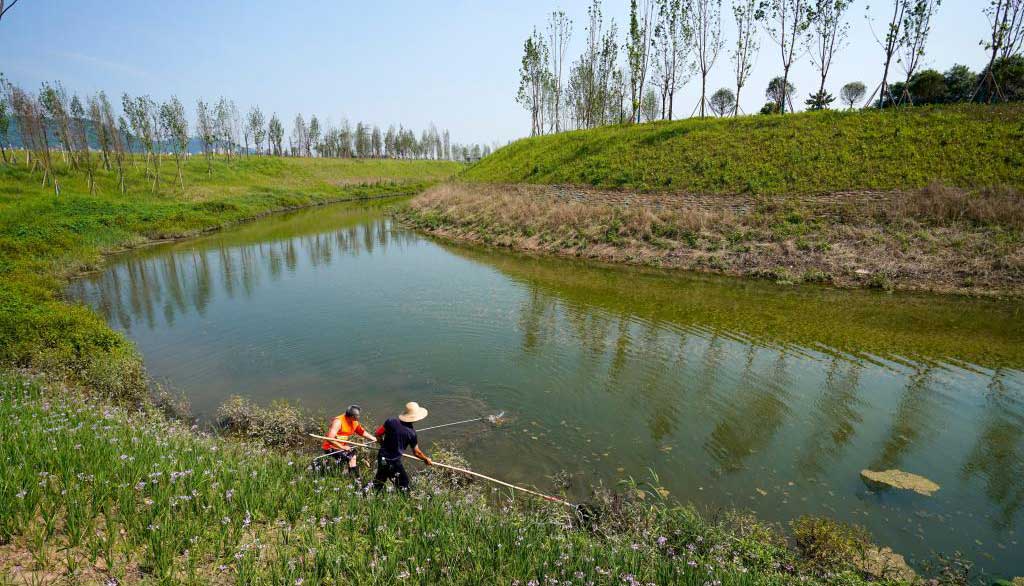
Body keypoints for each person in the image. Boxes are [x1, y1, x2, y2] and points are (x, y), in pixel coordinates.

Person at [372, 401, 432, 493]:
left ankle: (367, 495)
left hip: (382, 457)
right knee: (404, 485)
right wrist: (426, 459)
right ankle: (404, 504)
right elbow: (416, 452)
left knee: (380, 480)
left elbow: (377, 434)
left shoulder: (390, 421)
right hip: (393, 462)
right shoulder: (411, 434)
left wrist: (383, 444)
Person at [322, 404, 377, 475]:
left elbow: (362, 432)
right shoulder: (338, 422)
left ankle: (353, 477)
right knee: (351, 458)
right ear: (352, 416)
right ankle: (355, 479)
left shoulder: (354, 422)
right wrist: (342, 447)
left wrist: (373, 438)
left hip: (342, 446)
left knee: (352, 456)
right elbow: (330, 439)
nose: (359, 417)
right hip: (330, 447)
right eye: (358, 415)